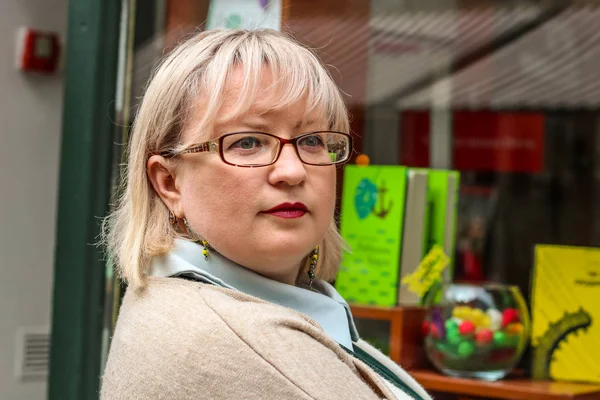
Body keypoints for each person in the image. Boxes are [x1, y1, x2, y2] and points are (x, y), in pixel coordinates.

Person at [100, 29, 431, 400]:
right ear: (169, 183)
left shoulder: (202, 298)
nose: (292, 171)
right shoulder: (228, 345)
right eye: (247, 142)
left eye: (312, 140)